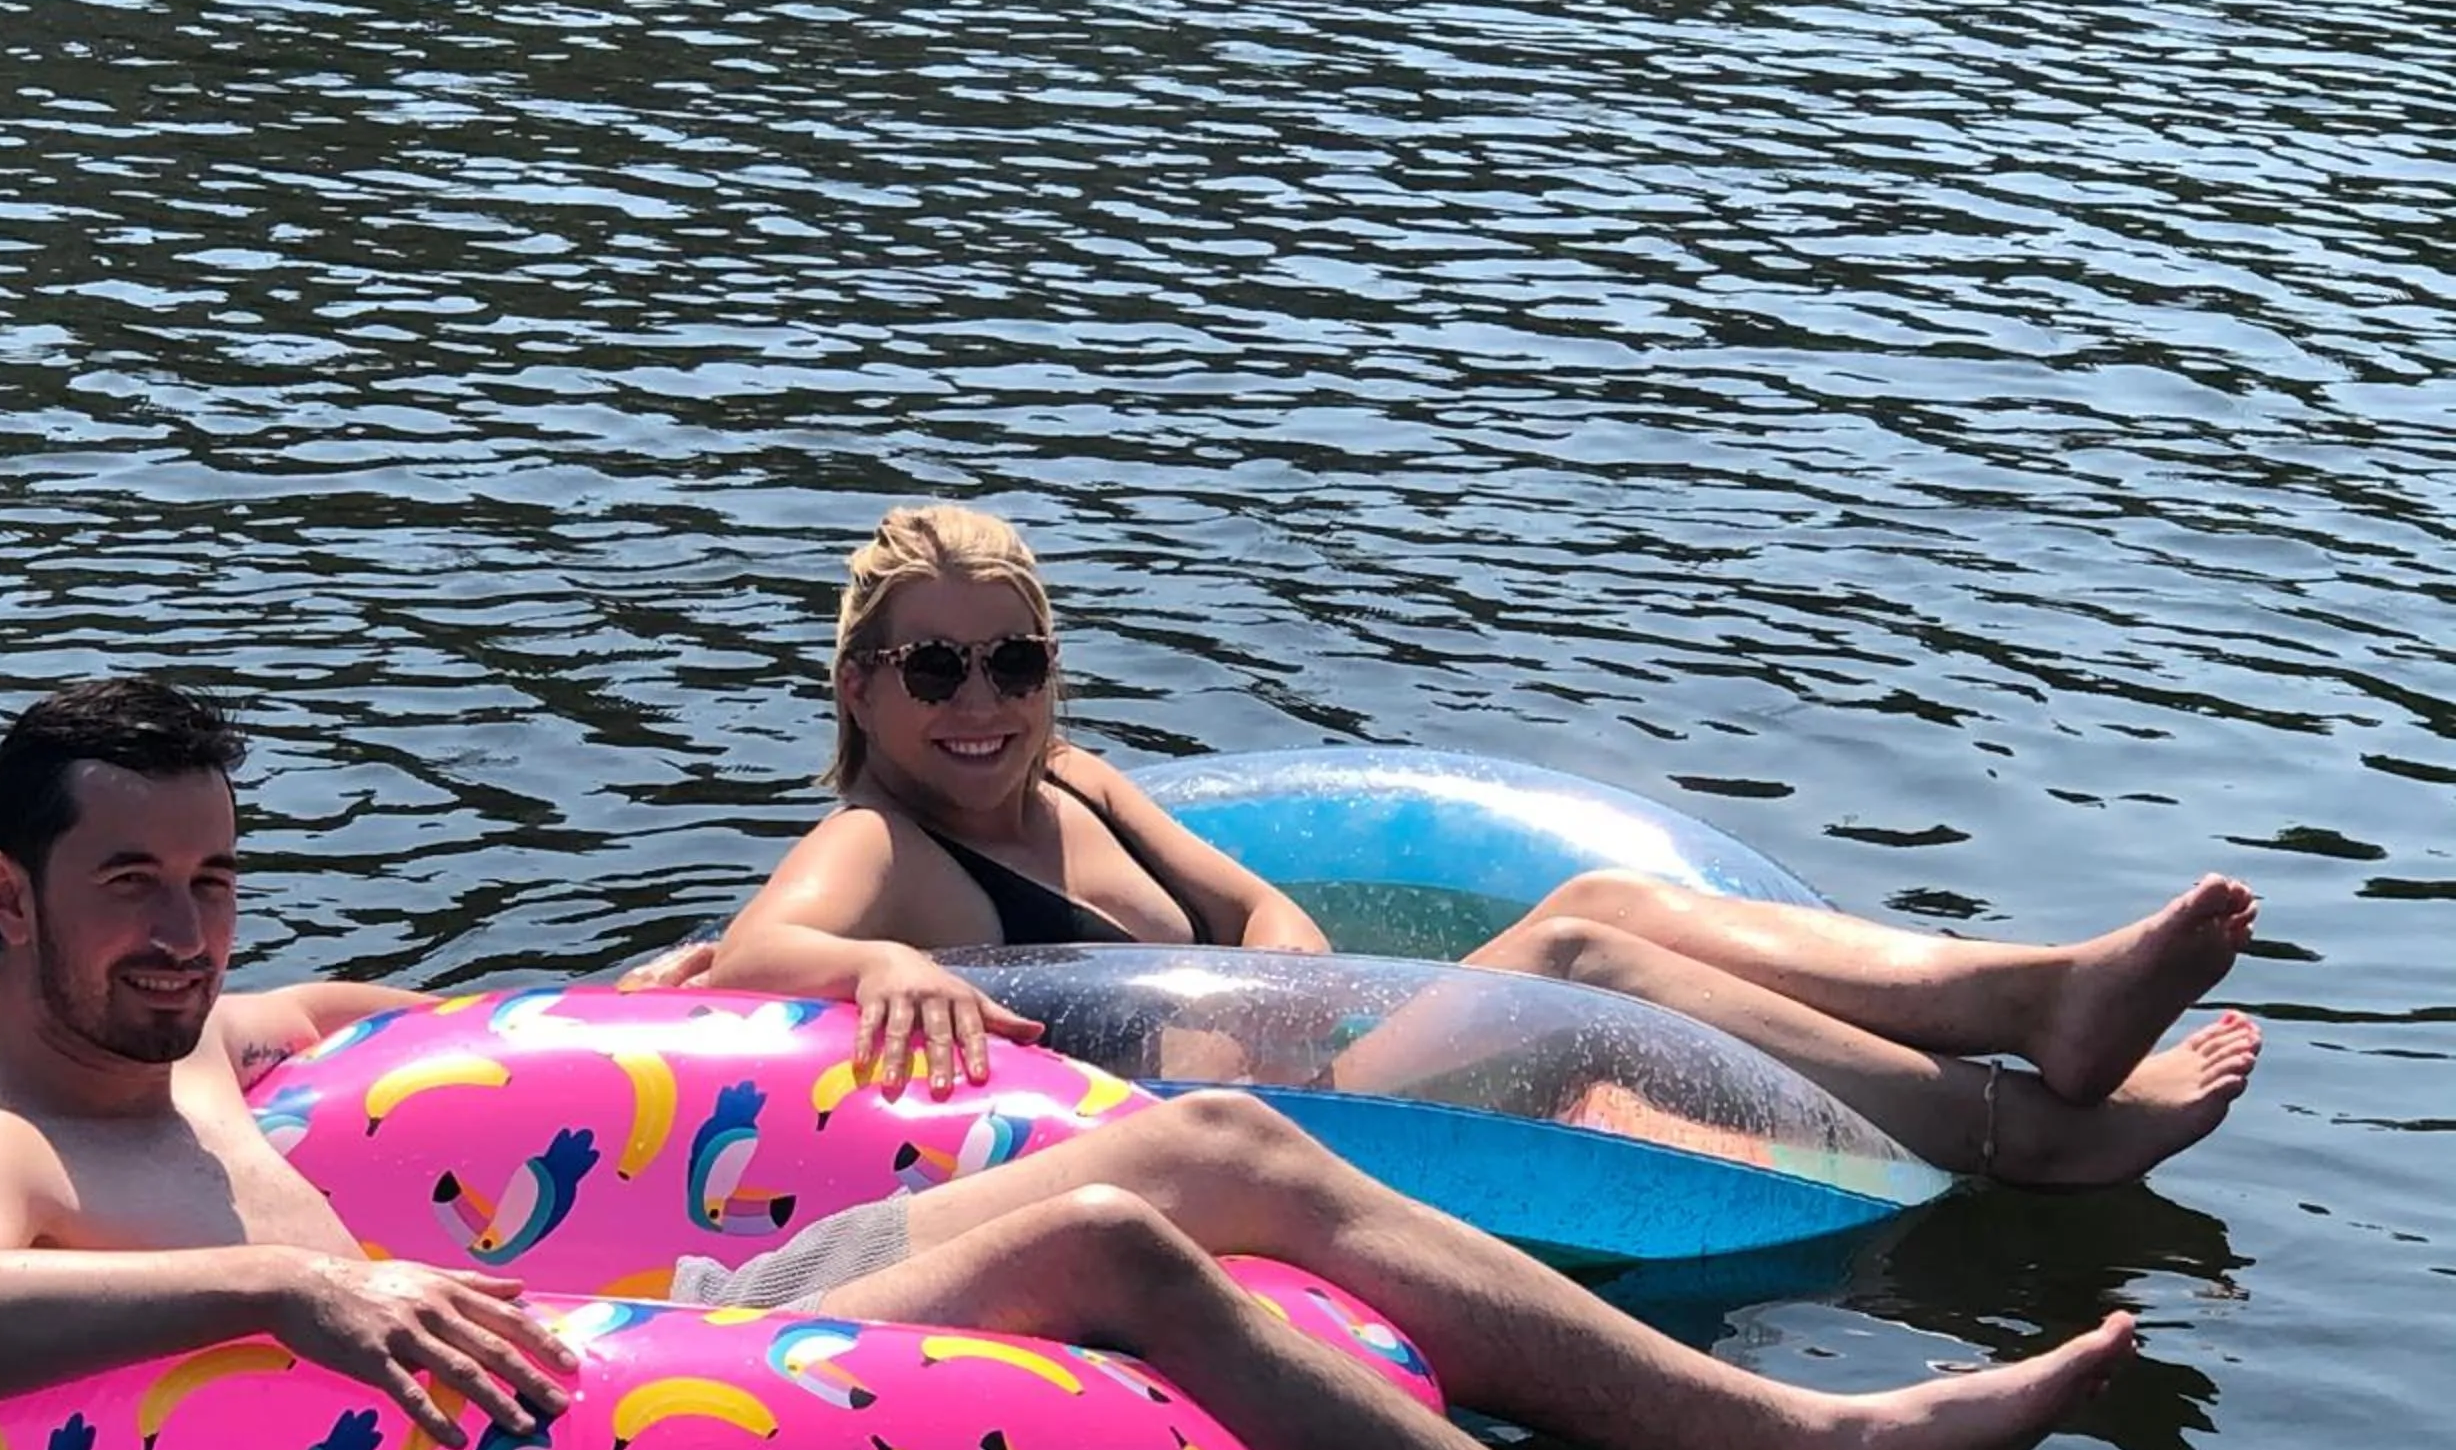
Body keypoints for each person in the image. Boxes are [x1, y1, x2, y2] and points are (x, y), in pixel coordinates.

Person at [0, 673, 2134, 1450]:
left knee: (1221, 1136)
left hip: (650, 1320)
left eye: (212, 881)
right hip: (609, 1406)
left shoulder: (222, 1047)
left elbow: (496, 1031)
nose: (187, 931)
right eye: (134, 889)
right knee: (1122, 1236)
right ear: (5, 899)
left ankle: (1832, 1439)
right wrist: (289, 1289)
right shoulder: (3, 1153)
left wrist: (758, 988)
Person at [653, 505, 2265, 1188]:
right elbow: (763, 948)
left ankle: (2032, 998)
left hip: (1314, 1054)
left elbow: (1259, 907)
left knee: (1610, 895)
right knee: (1584, 950)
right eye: (934, 668)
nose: (980, 703)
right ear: (861, 688)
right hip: (1259, 1139)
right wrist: (876, 968)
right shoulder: (879, 840)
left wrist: (1276, 982)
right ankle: (2022, 1131)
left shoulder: (1081, 779)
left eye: (1013, 661)